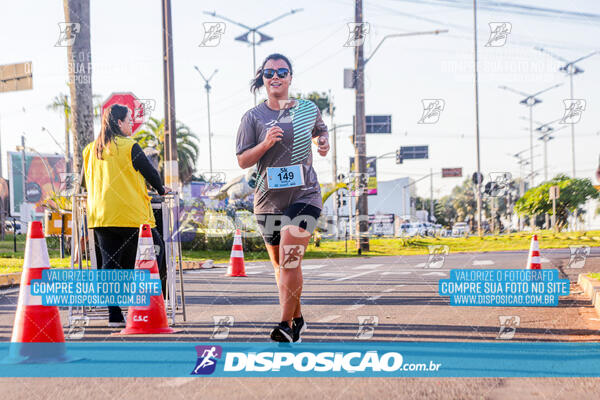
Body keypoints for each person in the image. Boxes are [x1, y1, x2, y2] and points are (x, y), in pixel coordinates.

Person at [236, 53, 330, 342]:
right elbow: (242, 160)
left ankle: (285, 325)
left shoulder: (307, 109)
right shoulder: (252, 117)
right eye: (269, 73)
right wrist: (265, 144)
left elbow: (321, 132)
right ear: (263, 78)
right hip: (267, 201)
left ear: (290, 77)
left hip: (305, 195)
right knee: (282, 267)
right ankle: (297, 316)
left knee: (290, 260)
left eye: (281, 71)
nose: (275, 76)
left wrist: (323, 142)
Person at [82, 104, 170, 327]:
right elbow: (150, 172)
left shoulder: (90, 149)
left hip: (101, 216)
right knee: (155, 253)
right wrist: (161, 189)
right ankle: (138, 305)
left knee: (110, 264)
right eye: (129, 120)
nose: (131, 124)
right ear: (119, 123)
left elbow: (85, 182)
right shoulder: (130, 146)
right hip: (131, 216)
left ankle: (114, 316)